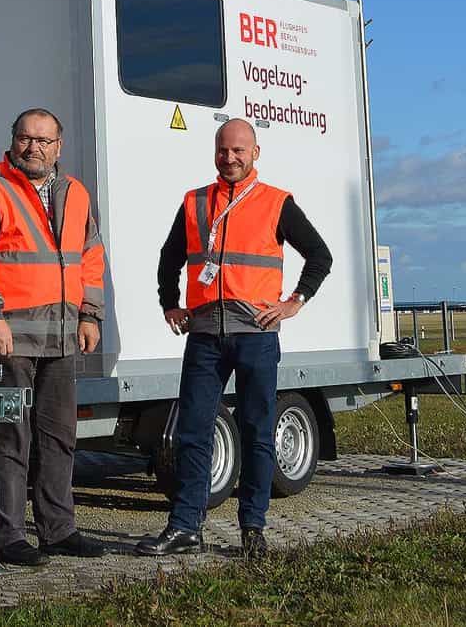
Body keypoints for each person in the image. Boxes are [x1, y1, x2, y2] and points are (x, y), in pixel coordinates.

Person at [135, 118, 333, 560]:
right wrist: (170, 303)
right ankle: (185, 527)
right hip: (205, 335)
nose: (230, 158)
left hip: (256, 336)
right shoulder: (195, 201)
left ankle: (253, 529)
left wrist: (294, 302)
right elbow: (169, 258)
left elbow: (320, 255)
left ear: (255, 153)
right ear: (214, 153)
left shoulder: (276, 202)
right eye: (223, 150)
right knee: (192, 432)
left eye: (239, 150)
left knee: (257, 432)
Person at [0, 108, 107, 565]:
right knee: (11, 439)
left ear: (59, 146)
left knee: (58, 437)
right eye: (25, 138)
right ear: (13, 139)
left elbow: (90, 259)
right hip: (7, 339)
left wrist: (90, 316)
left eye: (43, 140)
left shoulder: (75, 193)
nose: (33, 147)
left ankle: (58, 531)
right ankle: (9, 536)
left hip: (61, 338)